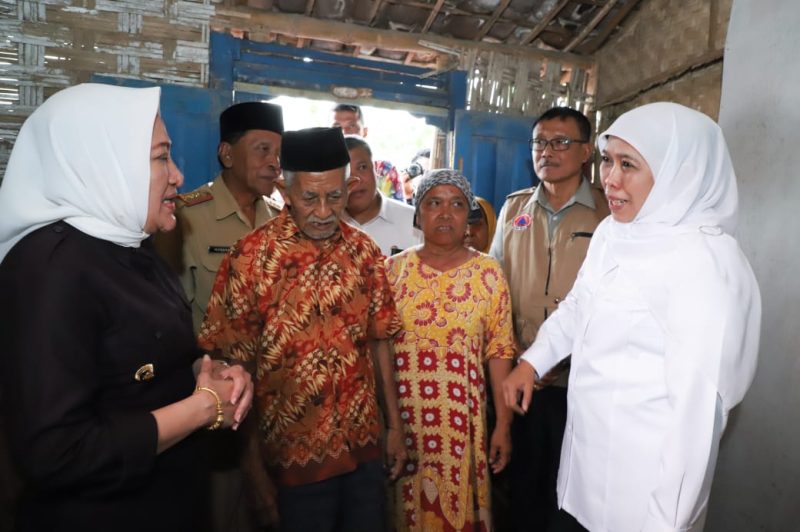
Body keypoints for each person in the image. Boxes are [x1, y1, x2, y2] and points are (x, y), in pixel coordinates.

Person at [0, 83, 253, 532]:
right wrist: (202, 408)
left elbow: (145, 362)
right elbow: (58, 450)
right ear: (102, 165)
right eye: (160, 158)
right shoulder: (51, 271)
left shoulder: (132, 246)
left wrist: (204, 374)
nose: (178, 174)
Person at [502, 102, 761, 532]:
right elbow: (579, 305)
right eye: (608, 160)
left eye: (629, 164)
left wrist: (666, 523)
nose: (611, 179)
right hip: (583, 474)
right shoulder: (615, 232)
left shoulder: (704, 264)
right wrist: (533, 361)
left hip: (642, 501)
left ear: (680, 171)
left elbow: (694, 422)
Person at [198, 127, 407, 532]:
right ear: (285, 190)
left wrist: (394, 428)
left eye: (336, 196)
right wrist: (253, 468)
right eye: (310, 198)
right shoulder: (251, 258)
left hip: (363, 452)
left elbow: (380, 341)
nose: (325, 211)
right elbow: (234, 366)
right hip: (290, 462)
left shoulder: (364, 252)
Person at [489, 106, 609, 532]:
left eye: (561, 142)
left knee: (570, 498)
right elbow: (495, 289)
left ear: (586, 152)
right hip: (523, 379)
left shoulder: (609, 214)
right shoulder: (514, 209)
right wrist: (517, 358)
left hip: (583, 384)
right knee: (520, 490)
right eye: (540, 142)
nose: (547, 151)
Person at [387, 169, 516, 531]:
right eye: (434, 204)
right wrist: (387, 425)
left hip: (463, 427)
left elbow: (500, 351)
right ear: (418, 215)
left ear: (468, 217)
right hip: (406, 425)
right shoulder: (392, 272)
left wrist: (503, 424)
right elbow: (377, 350)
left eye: (457, 204)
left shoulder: (489, 274)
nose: (445, 213)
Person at [155, 101, 284, 334]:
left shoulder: (282, 220)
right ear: (227, 154)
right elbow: (168, 315)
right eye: (263, 150)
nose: (275, 163)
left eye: (278, 154)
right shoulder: (186, 217)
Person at [342, 135, 422, 256]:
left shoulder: (414, 221)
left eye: (362, 167)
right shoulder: (323, 227)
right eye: (345, 172)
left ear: (376, 170)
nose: (355, 179)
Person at [332, 103, 404, 201]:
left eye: (351, 126)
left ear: (365, 132)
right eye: (337, 127)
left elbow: (397, 212)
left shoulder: (384, 170)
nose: (344, 133)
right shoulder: (321, 171)